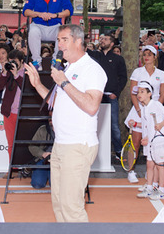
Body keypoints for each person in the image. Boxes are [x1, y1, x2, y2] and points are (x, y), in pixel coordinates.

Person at [24, 24, 106, 222]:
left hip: (78, 145)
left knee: (72, 207)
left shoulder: (92, 69)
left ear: (79, 41)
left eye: (64, 40)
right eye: (58, 40)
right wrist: (37, 85)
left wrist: (64, 83)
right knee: (59, 204)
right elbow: (55, 102)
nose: (59, 44)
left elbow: (91, 106)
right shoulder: (68, 68)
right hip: (61, 145)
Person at [125, 45, 164, 184]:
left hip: (154, 112)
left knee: (153, 142)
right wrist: (139, 110)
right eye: (145, 54)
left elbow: (163, 94)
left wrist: (155, 109)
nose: (147, 57)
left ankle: (151, 173)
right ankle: (131, 171)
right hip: (138, 109)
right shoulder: (137, 72)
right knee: (135, 142)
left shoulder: (161, 74)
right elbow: (133, 93)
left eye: (150, 54)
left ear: (155, 56)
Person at [23, 0, 73, 69]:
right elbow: (25, 11)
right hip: (38, 26)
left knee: (63, 33)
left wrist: (56, 15)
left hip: (55, 26)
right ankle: (37, 61)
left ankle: (55, 61)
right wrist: (39, 14)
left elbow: (69, 10)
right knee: (32, 32)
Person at [87, 34, 128, 157]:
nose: (102, 41)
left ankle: (118, 150)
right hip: (96, 96)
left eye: (105, 39)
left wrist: (116, 93)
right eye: (101, 39)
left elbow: (123, 77)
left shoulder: (118, 59)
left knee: (114, 125)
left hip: (111, 96)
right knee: (92, 123)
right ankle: (92, 150)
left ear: (111, 44)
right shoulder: (94, 56)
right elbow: (82, 48)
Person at [133, 81, 164, 200]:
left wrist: (160, 124)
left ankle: (162, 191)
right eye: (138, 92)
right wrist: (143, 134)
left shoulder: (156, 104)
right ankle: (150, 188)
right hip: (150, 142)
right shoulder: (144, 108)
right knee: (149, 165)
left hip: (160, 141)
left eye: (142, 91)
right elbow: (146, 126)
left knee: (160, 165)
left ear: (150, 94)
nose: (139, 94)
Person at [0, 50, 25, 167]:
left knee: (24, 143)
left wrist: (16, 75)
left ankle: (25, 168)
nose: (13, 64)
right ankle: (12, 168)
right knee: (11, 143)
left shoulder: (27, 72)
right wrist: (3, 73)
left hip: (23, 113)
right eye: (11, 61)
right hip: (9, 113)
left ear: (22, 61)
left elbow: (26, 88)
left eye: (16, 62)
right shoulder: (8, 72)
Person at [28, 119, 54, 189]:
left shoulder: (66, 130)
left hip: (59, 161)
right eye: (50, 119)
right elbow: (32, 146)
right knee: (37, 184)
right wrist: (43, 153)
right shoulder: (43, 129)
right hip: (43, 160)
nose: (51, 121)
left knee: (56, 186)